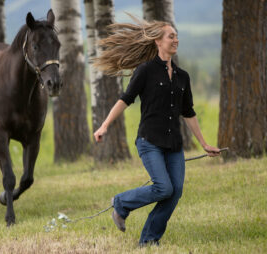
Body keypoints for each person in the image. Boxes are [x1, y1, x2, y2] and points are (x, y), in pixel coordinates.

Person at [92, 16, 221, 247]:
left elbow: (188, 112)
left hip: (173, 145)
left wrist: (204, 143)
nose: (176, 40)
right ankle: (121, 203)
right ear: (158, 42)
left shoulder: (183, 77)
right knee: (163, 187)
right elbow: (125, 99)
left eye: (176, 36)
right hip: (149, 141)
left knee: (175, 191)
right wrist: (104, 125)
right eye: (171, 36)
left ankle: (149, 239)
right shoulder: (145, 71)